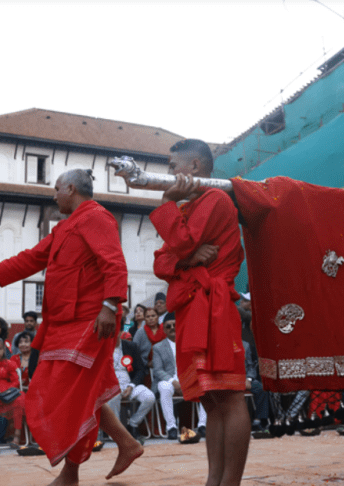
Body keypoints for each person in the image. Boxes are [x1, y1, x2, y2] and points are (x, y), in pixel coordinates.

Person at [0, 169, 142, 486]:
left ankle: (71, 473)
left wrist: (110, 306)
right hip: (62, 323)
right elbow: (28, 259)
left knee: (66, 395)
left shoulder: (97, 217)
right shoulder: (65, 228)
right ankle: (127, 443)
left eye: (56, 189)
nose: (53, 196)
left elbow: (114, 261)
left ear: (70, 188)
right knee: (76, 392)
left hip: (91, 319)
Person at [151, 139, 249, 486]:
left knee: (230, 396)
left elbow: (180, 242)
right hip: (192, 308)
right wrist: (188, 260)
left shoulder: (215, 200)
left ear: (194, 167)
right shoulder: (187, 208)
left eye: (172, 165)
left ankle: (230, 481)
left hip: (215, 305)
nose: (168, 173)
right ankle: (214, 479)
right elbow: (161, 262)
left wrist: (166, 204)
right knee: (210, 401)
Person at [152, 317, 207, 440]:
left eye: (174, 325)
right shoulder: (158, 347)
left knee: (205, 384)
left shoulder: (190, 344)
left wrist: (188, 380)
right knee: (164, 387)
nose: (172, 328)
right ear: (164, 330)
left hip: (189, 379)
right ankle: (171, 427)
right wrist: (173, 382)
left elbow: (196, 364)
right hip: (170, 381)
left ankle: (202, 425)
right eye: (168, 326)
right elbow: (158, 370)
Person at [107, 334, 154, 443]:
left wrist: (131, 386)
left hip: (130, 385)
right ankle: (116, 430)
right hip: (111, 386)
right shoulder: (102, 348)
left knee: (149, 397)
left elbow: (140, 370)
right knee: (113, 395)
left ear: (120, 331)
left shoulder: (131, 346)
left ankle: (133, 423)